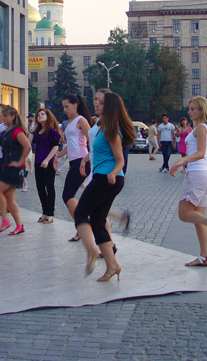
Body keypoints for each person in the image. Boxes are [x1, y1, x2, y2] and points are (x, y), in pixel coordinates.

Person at [75, 90, 135, 281]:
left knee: (80, 213)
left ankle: (91, 251)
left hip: (108, 179)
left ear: (109, 106)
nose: (97, 103)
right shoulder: (101, 127)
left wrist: (113, 172)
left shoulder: (111, 130)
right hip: (104, 177)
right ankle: (112, 266)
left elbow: (120, 160)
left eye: (101, 101)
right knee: (98, 220)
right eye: (96, 100)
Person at [171, 96, 207, 267]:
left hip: (197, 174)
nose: (189, 111)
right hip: (205, 175)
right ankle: (204, 256)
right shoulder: (205, 127)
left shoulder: (201, 128)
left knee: (184, 214)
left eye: (193, 108)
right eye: (189, 108)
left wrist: (181, 161)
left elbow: (201, 153)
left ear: (202, 110)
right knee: (197, 218)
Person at [53, 94, 93, 240]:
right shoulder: (70, 123)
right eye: (63, 107)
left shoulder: (81, 120)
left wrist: (87, 160)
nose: (64, 109)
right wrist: (57, 156)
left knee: (67, 195)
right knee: (68, 195)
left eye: (67, 106)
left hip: (82, 162)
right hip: (74, 161)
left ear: (75, 105)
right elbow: (69, 146)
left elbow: (92, 141)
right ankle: (81, 226)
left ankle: (82, 226)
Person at [0, 106, 32, 235]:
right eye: (3, 115)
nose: (3, 118)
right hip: (8, 166)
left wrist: (20, 161)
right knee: (9, 198)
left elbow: (27, 146)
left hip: (15, 168)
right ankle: (19, 225)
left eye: (6, 116)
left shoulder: (17, 131)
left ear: (13, 116)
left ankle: (5, 220)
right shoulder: (5, 131)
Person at [30, 108, 61, 223]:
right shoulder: (38, 131)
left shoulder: (52, 131)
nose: (39, 116)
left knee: (50, 187)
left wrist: (47, 160)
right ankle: (44, 212)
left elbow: (55, 146)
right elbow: (29, 142)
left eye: (42, 114)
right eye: (38, 115)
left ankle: (51, 214)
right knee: (40, 187)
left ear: (48, 116)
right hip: (38, 161)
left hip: (48, 162)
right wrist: (32, 129)